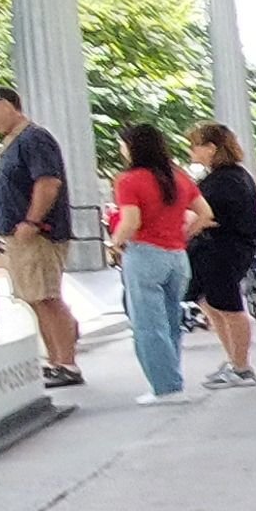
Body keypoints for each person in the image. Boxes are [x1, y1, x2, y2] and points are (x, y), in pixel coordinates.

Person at [0, 85, 84, 388]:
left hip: (38, 235)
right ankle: (55, 359)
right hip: (18, 236)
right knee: (34, 298)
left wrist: (32, 220)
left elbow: (47, 182)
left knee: (46, 296)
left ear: (6, 104)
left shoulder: (34, 138)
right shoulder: (12, 143)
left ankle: (67, 362)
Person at [101, 122, 205, 403]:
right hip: (177, 256)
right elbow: (204, 213)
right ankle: (172, 378)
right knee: (171, 321)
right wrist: (183, 235)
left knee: (147, 324)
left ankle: (165, 387)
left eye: (123, 144)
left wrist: (116, 243)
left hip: (144, 253)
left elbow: (131, 221)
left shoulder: (128, 180)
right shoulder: (178, 177)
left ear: (133, 147)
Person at [186, 121, 256, 387]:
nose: (191, 151)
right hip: (220, 247)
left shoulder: (225, 179)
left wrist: (189, 230)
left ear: (211, 147)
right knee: (212, 304)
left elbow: (209, 215)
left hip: (225, 248)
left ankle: (241, 366)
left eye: (195, 145)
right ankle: (234, 359)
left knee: (229, 307)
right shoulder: (228, 176)